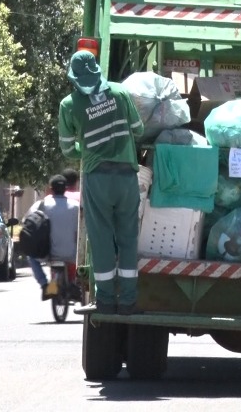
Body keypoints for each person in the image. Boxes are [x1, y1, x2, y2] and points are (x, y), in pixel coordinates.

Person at [57, 50, 144, 315]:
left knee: (102, 240)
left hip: (97, 180)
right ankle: (128, 301)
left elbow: (67, 149)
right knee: (128, 239)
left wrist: (89, 149)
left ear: (74, 78)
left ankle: (105, 300)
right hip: (127, 178)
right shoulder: (120, 93)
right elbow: (139, 129)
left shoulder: (69, 105)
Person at [26, 175, 80, 300]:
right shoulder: (75, 206)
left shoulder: (42, 205)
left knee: (31, 257)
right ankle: (73, 283)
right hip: (72, 254)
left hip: (48, 253)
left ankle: (44, 284)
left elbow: (28, 221)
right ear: (65, 188)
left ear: (51, 189)